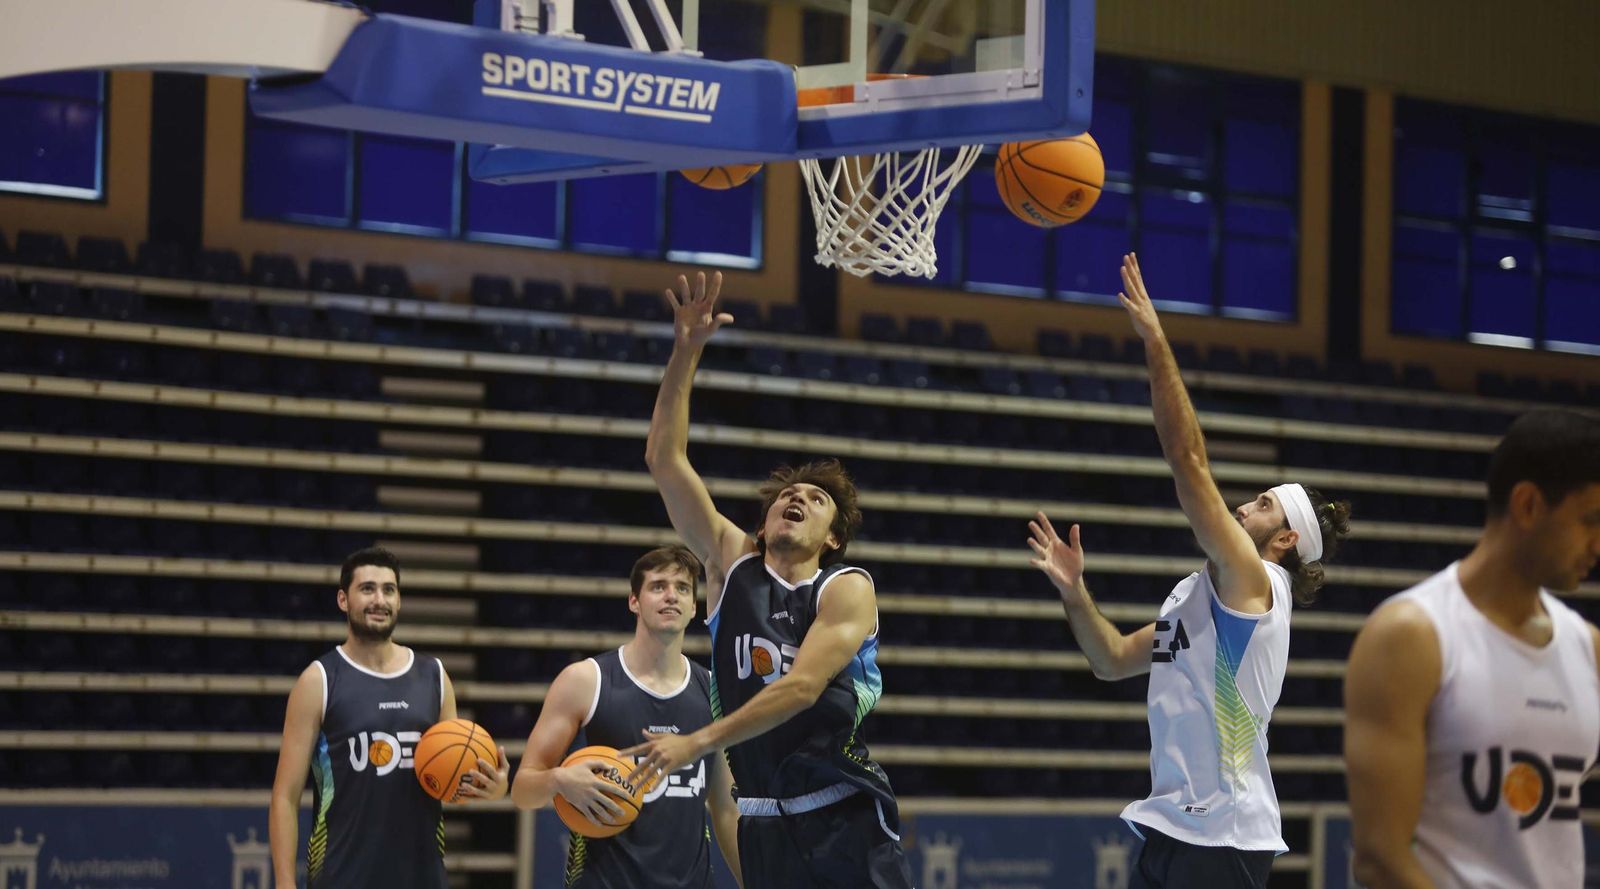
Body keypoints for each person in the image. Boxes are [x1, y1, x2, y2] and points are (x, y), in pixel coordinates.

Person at [1027, 253, 1350, 889]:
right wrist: (1074, 592)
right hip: (1178, 827)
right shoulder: (1195, 595)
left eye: (1261, 505)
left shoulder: (1257, 585)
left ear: (1285, 538)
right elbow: (1112, 657)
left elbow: (1188, 460)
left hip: (1223, 835)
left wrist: (1156, 341)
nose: (1241, 505)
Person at [621, 270, 913, 889]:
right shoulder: (731, 563)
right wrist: (685, 352)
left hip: (843, 813)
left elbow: (803, 687)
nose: (797, 500)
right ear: (766, 518)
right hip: (761, 824)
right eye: (788, 495)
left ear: (833, 538)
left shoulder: (846, 588)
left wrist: (696, 742)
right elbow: (664, 459)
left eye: (815, 499)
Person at [1344, 409, 1600, 888]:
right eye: (1590, 521)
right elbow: (1380, 861)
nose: (1598, 544)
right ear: (1527, 505)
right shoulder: (1410, 637)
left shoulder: (1588, 650)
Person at [268, 546, 510, 889]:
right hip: (341, 877)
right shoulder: (318, 680)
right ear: (343, 599)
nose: (379, 599)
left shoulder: (434, 676)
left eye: (389, 590)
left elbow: (450, 780)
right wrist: (284, 882)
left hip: (421, 877)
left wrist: (493, 789)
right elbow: (284, 796)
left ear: (399, 601)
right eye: (367, 589)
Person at [510, 545, 742, 888]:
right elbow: (522, 790)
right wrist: (559, 780)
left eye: (682, 589)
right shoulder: (586, 680)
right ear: (634, 601)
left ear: (694, 607)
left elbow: (725, 808)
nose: (671, 596)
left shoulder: (712, 691)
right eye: (657, 586)